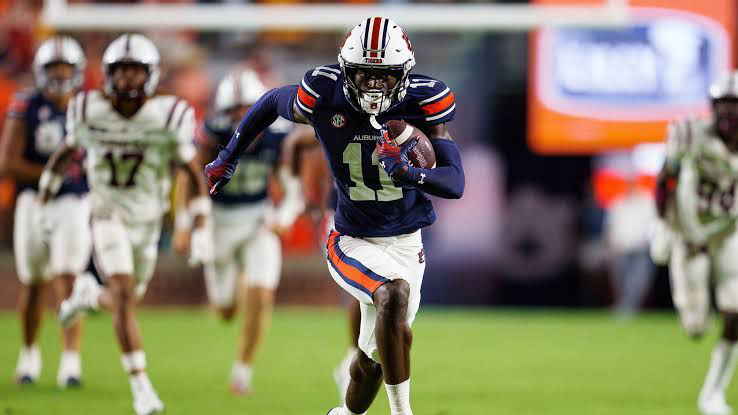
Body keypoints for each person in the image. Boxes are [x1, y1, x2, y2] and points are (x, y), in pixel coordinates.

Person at [205, 17, 464, 415]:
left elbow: (454, 182)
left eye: (384, 75)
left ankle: (343, 413)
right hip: (350, 238)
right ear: (346, 70)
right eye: (364, 74)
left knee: (375, 358)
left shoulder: (424, 101)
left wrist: (409, 173)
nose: (374, 86)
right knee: (392, 293)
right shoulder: (324, 93)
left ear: (403, 74)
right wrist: (228, 156)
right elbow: (271, 101)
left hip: (406, 241)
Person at [37, 33, 213, 415]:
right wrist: (44, 200)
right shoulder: (89, 109)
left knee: (124, 299)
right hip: (107, 212)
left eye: (136, 71)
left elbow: (192, 170)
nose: (128, 78)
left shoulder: (169, 114)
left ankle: (87, 296)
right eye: (121, 70)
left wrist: (200, 225)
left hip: (148, 221)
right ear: (107, 74)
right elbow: (64, 152)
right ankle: (141, 387)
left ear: (151, 74)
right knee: (122, 291)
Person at [174, 68, 305, 395]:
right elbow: (189, 177)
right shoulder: (213, 132)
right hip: (218, 221)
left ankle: (242, 373)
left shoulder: (276, 135)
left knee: (261, 295)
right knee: (225, 310)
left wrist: (286, 214)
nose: (242, 118)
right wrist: (184, 225)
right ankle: (239, 280)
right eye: (235, 111)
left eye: (247, 110)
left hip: (257, 219)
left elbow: (291, 184)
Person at [0, 36, 90, 387]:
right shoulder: (27, 105)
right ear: (40, 71)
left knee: (68, 277)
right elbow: (8, 163)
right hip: (34, 201)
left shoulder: (87, 107)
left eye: (65, 68)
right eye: (53, 68)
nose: (59, 75)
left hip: (73, 201)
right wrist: (53, 173)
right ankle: (29, 355)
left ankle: (71, 362)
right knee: (34, 282)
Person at [652, 70, 738, 415]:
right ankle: (695, 309)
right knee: (697, 327)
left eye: (735, 104)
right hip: (690, 233)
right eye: (724, 103)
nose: (729, 111)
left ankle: (712, 394)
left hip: (730, 229)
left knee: (736, 312)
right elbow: (666, 179)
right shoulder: (690, 134)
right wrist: (664, 224)